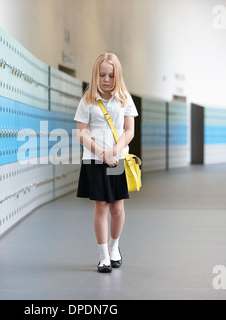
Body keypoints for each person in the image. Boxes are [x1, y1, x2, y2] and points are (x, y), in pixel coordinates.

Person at [74, 53, 138, 273]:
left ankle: (114, 248)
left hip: (117, 159)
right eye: (102, 75)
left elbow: (129, 131)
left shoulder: (124, 99)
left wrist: (114, 151)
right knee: (101, 205)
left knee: (117, 207)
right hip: (94, 159)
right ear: (96, 75)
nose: (106, 79)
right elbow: (81, 134)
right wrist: (102, 153)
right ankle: (103, 257)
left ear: (117, 75)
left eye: (111, 75)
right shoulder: (87, 99)